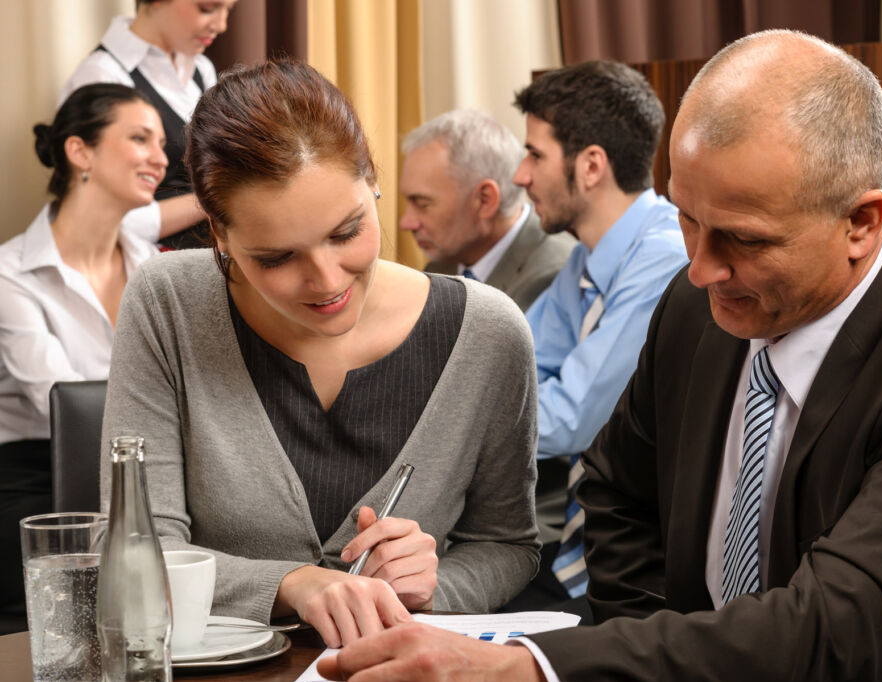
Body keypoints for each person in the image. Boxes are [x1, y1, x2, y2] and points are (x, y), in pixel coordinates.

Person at [316, 29, 882, 682]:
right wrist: (652, 654)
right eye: (687, 216)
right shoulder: (700, 307)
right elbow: (617, 487)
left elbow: (829, 628)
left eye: (743, 239)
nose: (699, 268)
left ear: (862, 223)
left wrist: (524, 668)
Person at [99, 59, 541, 649]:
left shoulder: (490, 334)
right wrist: (294, 585)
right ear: (220, 235)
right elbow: (136, 554)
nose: (327, 280)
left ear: (373, 181)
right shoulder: (169, 303)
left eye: (346, 231)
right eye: (277, 259)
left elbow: (508, 546)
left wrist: (435, 586)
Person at [504, 60, 688, 612]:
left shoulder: (663, 259)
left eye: (535, 154)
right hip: (586, 547)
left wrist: (469, 427)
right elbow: (517, 371)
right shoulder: (590, 258)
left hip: (643, 569)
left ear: (590, 166)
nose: (521, 174)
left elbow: (566, 421)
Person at [0, 83, 165, 630]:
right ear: (80, 152)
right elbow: (62, 406)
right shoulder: (10, 273)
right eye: (140, 138)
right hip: (35, 476)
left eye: (162, 142)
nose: (161, 158)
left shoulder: (157, 270)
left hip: (141, 468)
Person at [61, 0, 237, 247]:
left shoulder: (201, 68)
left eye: (228, 10)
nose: (221, 25)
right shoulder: (103, 76)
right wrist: (217, 200)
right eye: (206, 8)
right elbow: (100, 217)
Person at [399, 109, 575, 311]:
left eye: (422, 204)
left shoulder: (551, 276)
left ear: (485, 200)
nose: (406, 223)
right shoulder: (440, 266)